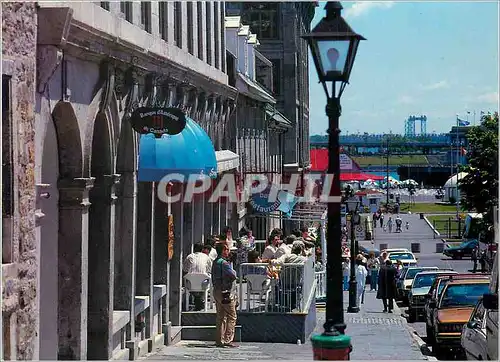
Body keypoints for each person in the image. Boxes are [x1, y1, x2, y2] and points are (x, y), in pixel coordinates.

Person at [211, 243, 238, 348]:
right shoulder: (224, 263)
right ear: (222, 250)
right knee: (232, 315)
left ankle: (219, 339)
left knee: (220, 316)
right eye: (226, 249)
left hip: (217, 291)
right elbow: (233, 275)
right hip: (225, 292)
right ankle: (228, 339)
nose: (228, 251)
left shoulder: (215, 262)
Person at [183, 243, 212, 311]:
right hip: (203, 284)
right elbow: (209, 270)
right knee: (205, 278)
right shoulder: (206, 257)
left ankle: (197, 298)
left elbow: (185, 269)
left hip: (191, 285)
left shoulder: (189, 256)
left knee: (188, 280)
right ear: (202, 249)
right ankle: (199, 298)